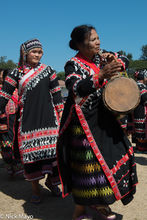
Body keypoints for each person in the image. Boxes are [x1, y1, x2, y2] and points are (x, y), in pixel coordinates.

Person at [57, 25, 138, 220]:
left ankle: (100, 202)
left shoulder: (100, 58)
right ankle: (80, 208)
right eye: (93, 39)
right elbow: (76, 88)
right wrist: (100, 75)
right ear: (79, 44)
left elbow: (124, 59)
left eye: (98, 38)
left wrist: (114, 61)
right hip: (82, 125)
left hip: (102, 120)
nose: (98, 42)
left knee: (107, 161)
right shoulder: (72, 64)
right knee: (85, 166)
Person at [0, 39, 64, 203]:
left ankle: (51, 182)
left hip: (49, 121)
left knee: (53, 156)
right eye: (34, 52)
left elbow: (57, 95)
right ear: (25, 53)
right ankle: (36, 189)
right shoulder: (16, 73)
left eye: (40, 52)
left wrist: (62, 114)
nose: (37, 55)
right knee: (31, 158)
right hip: (28, 122)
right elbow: (4, 96)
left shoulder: (48, 70)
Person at [0, 69, 24, 176]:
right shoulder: (1, 91)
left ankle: (18, 165)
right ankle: (10, 165)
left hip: (17, 120)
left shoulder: (18, 91)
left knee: (17, 143)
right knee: (6, 144)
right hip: (4, 122)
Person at [132, 69, 147, 152]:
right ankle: (142, 148)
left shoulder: (134, 85)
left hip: (135, 109)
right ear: (143, 77)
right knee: (141, 127)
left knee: (137, 127)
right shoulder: (141, 86)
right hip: (141, 109)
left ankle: (138, 146)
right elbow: (145, 98)